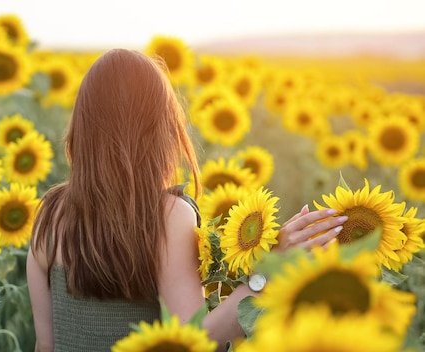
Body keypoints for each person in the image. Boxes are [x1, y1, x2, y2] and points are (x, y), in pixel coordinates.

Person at [26, 48, 344, 352]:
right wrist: (266, 276)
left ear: (82, 125)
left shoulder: (49, 216)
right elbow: (195, 342)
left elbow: (46, 345)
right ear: (160, 128)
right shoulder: (166, 215)